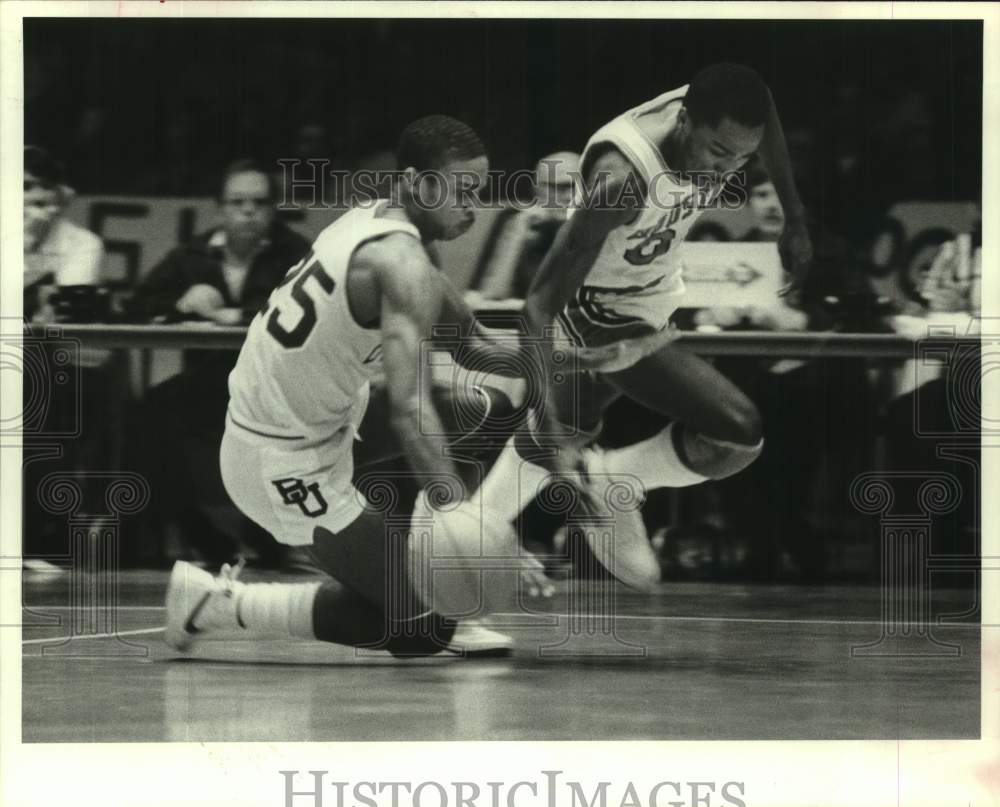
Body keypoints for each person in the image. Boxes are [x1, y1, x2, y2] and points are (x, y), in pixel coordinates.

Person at [164, 116, 560, 658]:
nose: (475, 206)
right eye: (464, 191)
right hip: (279, 464)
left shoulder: (387, 223)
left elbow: (472, 346)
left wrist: (571, 354)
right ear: (419, 184)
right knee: (420, 632)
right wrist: (472, 529)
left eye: (480, 190)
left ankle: (435, 577)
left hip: (317, 425)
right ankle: (214, 605)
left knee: (472, 409)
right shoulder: (399, 262)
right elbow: (410, 411)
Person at [471, 63, 814, 589]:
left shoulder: (732, 114)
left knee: (566, 427)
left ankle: (470, 538)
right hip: (596, 309)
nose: (727, 171)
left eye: (742, 158)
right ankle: (613, 481)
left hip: (650, 297)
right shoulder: (622, 180)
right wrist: (549, 411)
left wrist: (795, 215)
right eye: (719, 154)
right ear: (683, 122)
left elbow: (765, 114)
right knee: (737, 435)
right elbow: (537, 307)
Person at [127, 160, 311, 566]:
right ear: (220, 208)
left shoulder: (298, 252)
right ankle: (199, 536)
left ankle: (268, 537)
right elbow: (137, 304)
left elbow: (315, 309)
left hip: (275, 386)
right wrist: (179, 301)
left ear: (273, 208)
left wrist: (239, 315)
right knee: (150, 413)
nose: (248, 211)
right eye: (237, 202)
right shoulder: (191, 254)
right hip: (207, 382)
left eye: (259, 202)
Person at [471, 151, 581, 301]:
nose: (570, 196)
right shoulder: (516, 219)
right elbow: (491, 296)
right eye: (559, 187)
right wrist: (517, 235)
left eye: (577, 187)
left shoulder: (606, 225)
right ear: (537, 189)